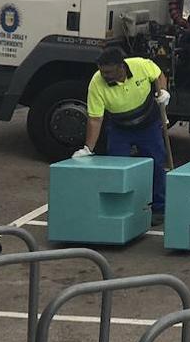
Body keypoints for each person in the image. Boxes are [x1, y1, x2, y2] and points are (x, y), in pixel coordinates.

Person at [73, 46, 170, 223]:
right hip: (120, 128)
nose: (104, 75)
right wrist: (88, 148)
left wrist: (163, 91)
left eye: (108, 71)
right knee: (117, 168)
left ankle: (159, 208)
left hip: (148, 124)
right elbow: (95, 119)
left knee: (156, 164)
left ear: (121, 66)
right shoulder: (96, 83)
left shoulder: (141, 65)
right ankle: (121, 210)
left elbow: (158, 74)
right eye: (102, 71)